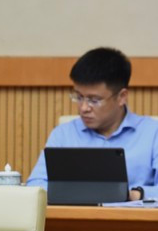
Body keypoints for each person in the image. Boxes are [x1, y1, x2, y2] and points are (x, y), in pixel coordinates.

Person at [26, 47, 158, 200]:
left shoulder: (152, 133)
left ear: (122, 97)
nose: (83, 108)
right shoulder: (63, 134)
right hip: (74, 222)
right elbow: (35, 185)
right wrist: (87, 193)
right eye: (79, 97)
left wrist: (134, 194)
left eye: (94, 100)